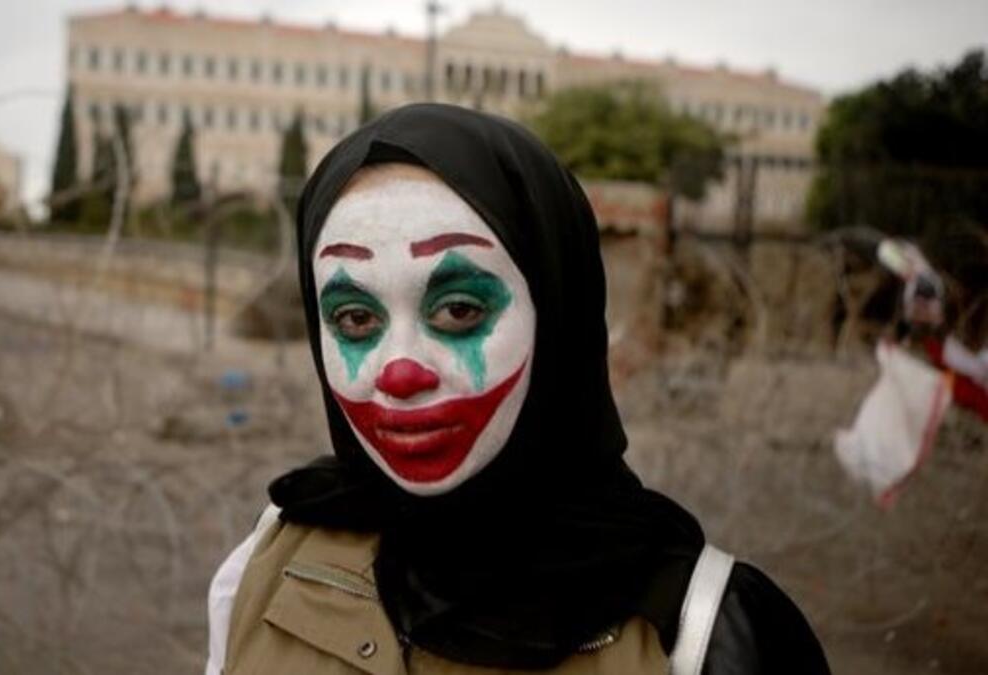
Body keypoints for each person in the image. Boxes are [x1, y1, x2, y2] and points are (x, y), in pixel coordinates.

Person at [206, 103, 829, 674]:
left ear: (558, 308)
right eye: (355, 320)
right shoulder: (264, 565)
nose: (399, 373)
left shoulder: (713, 640)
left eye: (457, 310)